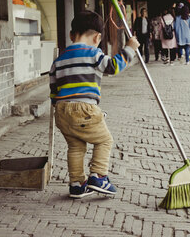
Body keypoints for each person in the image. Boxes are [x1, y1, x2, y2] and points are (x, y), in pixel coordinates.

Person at [49, 10, 139, 198]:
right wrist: (129, 48)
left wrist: (58, 105)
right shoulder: (94, 53)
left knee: (75, 147)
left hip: (62, 110)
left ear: (71, 35)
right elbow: (113, 67)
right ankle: (98, 176)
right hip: (84, 108)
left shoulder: (59, 60)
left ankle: (76, 183)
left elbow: (53, 88)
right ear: (98, 37)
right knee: (104, 140)